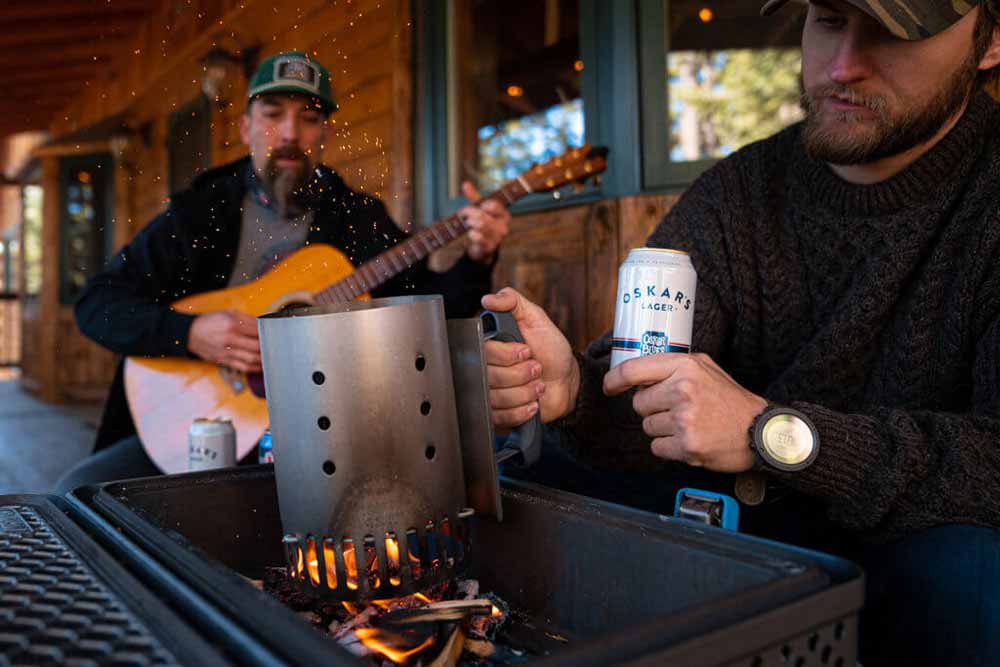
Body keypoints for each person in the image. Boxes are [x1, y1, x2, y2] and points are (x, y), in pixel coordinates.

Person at [482, 1, 1000, 665]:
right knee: (525, 465)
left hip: (907, 545)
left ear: (988, 43)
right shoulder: (740, 191)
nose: (843, 66)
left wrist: (773, 434)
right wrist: (575, 391)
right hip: (756, 527)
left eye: (895, 31)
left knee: (975, 569)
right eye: (831, 20)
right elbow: (649, 391)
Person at [60, 51, 511, 491]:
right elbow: (98, 302)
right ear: (245, 128)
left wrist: (478, 256)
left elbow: (431, 313)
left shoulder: (358, 218)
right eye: (273, 115)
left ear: (325, 134)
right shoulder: (201, 212)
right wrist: (189, 332)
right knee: (77, 492)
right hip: (197, 427)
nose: (290, 133)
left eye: (309, 118)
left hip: (330, 436)